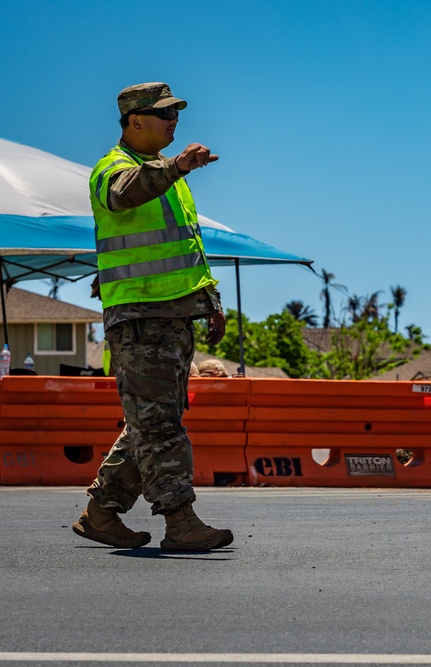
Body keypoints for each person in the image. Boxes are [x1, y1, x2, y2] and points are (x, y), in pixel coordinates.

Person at [72, 82, 233, 552]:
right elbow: (123, 195)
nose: (173, 120)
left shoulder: (165, 178)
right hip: (141, 318)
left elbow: (185, 249)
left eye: (176, 112)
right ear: (133, 121)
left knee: (149, 420)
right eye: (163, 113)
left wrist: (209, 300)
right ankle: (180, 522)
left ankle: (102, 513)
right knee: (159, 425)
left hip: (173, 316)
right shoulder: (113, 169)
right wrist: (178, 165)